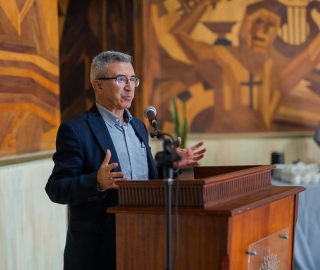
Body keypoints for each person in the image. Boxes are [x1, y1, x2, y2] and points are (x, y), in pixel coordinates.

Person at [45, 50, 206, 270]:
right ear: (97, 85)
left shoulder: (139, 127)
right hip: (98, 248)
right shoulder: (76, 130)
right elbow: (56, 188)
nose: (129, 86)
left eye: (133, 79)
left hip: (144, 237)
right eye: (121, 79)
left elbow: (149, 181)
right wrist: (96, 182)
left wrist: (173, 167)